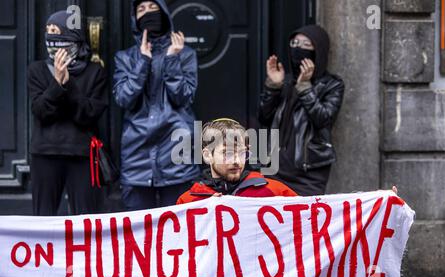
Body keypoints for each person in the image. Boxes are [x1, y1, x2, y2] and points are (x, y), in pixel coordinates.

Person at [113, 0, 200, 211]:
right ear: (135, 19)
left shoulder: (185, 54)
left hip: (176, 150)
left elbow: (184, 98)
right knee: (138, 229)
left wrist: (172, 60)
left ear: (163, 13)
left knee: (178, 226)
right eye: (141, 10)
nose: (147, 13)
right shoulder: (125, 58)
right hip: (137, 152)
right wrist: (143, 62)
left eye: (152, 7)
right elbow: (124, 99)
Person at [27, 11, 108, 216]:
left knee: (85, 220)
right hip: (45, 153)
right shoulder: (36, 70)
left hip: (81, 155)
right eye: (47, 32)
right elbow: (40, 111)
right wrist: (56, 84)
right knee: (42, 219)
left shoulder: (95, 72)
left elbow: (88, 114)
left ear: (71, 36)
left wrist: (68, 83)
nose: (50, 38)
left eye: (55, 32)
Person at [259, 25, 345, 197]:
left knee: (304, 221)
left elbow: (323, 120)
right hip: (274, 168)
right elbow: (264, 117)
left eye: (306, 45)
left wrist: (305, 87)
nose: (298, 49)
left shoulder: (332, 84)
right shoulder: (285, 81)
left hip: (308, 172)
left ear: (318, 50)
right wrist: (273, 86)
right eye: (294, 43)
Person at [177, 119, 298, 205]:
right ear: (208, 155)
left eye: (242, 153)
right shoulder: (188, 202)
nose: (236, 161)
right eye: (228, 153)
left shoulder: (275, 191)